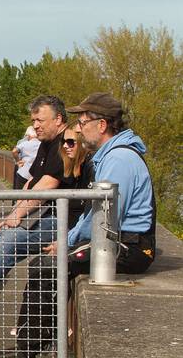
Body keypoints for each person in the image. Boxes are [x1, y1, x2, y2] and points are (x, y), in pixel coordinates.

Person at [0, 124, 94, 358]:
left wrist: (66, 240)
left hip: (86, 239)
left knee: (47, 269)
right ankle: (35, 342)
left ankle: (33, 349)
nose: (67, 146)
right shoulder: (73, 168)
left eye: (72, 142)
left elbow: (93, 215)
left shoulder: (90, 169)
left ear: (85, 143)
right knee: (40, 265)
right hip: (72, 235)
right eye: (65, 143)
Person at [0, 95, 69, 313]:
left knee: (9, 239)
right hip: (48, 214)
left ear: (58, 119)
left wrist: (18, 215)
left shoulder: (65, 144)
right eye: (34, 120)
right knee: (2, 235)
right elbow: (31, 182)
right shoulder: (46, 144)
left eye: (40, 120)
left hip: (65, 219)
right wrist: (15, 213)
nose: (35, 125)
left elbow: (46, 186)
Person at [61, 92, 156, 276]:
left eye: (82, 123)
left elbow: (103, 217)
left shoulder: (118, 159)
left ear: (102, 125)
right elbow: (93, 211)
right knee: (48, 264)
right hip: (121, 242)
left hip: (129, 249)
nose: (78, 130)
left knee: (46, 269)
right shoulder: (110, 156)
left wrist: (67, 242)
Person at [12, 125, 40, 190]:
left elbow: (14, 151)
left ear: (29, 136)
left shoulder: (24, 143)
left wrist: (18, 161)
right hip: (35, 174)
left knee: (19, 195)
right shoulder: (41, 144)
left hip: (23, 173)